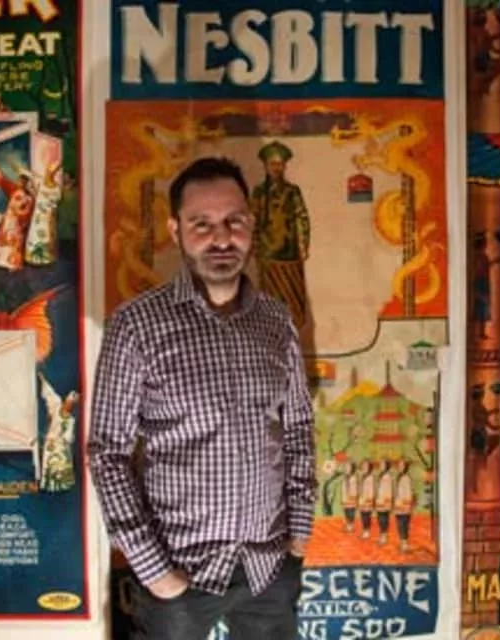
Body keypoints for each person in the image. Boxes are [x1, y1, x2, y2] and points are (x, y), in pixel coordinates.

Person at [88, 156, 316, 640]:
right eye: (202, 224)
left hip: (268, 569)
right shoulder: (136, 326)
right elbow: (107, 453)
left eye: (234, 221)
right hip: (179, 576)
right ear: (176, 230)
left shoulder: (276, 322)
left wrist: (297, 540)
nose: (222, 238)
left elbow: (298, 428)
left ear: (251, 225)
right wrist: (155, 572)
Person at [249, 140, 312, 330]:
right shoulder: (259, 192)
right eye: (272, 164)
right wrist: (254, 245)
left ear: (284, 166)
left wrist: (303, 245)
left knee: (293, 295)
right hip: (267, 253)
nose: (276, 168)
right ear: (266, 166)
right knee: (269, 296)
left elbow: (302, 217)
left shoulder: (292, 191)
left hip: (290, 251)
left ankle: (294, 327)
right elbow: (253, 220)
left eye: (279, 164)